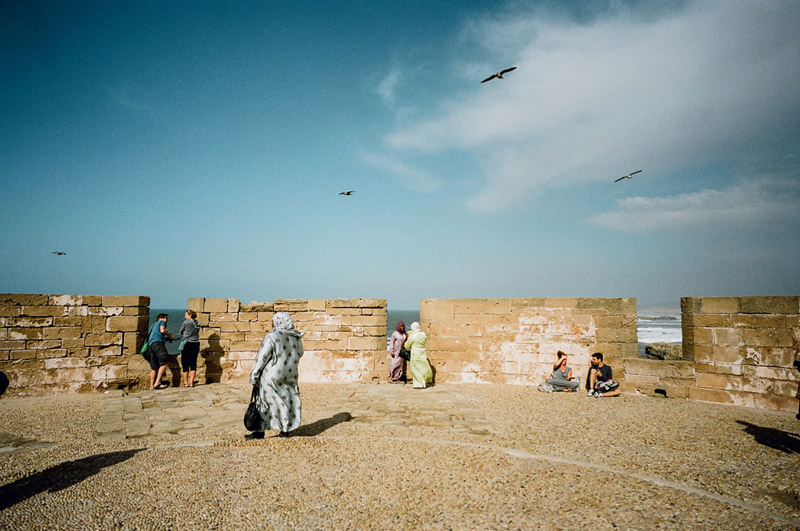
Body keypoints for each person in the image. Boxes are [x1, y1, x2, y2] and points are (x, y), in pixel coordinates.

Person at [246, 312, 305, 439]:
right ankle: (285, 429)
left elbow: (262, 357)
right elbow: (300, 353)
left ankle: (259, 431)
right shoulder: (297, 337)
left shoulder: (272, 336)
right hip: (290, 374)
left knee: (265, 401)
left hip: (271, 375)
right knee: (287, 400)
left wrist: (254, 376)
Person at [148, 313, 174, 390]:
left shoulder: (153, 325)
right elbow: (162, 331)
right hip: (158, 344)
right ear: (162, 318)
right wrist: (170, 335)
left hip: (151, 345)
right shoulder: (161, 322)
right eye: (166, 319)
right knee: (165, 362)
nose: (167, 321)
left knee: (154, 367)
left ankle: (151, 386)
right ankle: (157, 383)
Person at [404, 322, 433, 389]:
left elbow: (407, 345)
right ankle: (425, 381)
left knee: (416, 369)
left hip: (415, 353)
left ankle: (418, 384)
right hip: (422, 352)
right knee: (423, 367)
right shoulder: (423, 334)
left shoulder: (413, 336)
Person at [178, 310, 201, 388]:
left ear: (190, 315)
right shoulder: (198, 323)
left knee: (185, 363)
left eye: (186, 315)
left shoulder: (186, 322)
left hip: (187, 343)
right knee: (193, 363)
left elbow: (180, 331)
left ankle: (185, 382)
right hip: (195, 343)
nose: (185, 316)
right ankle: (191, 382)